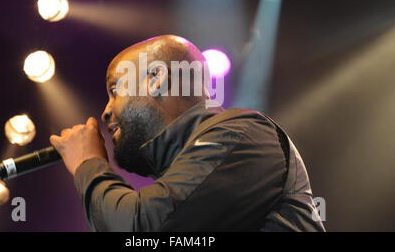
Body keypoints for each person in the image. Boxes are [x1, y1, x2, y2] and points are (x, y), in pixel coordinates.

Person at [50, 35, 326, 232]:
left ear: (156, 79)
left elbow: (141, 229)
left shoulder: (241, 134)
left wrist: (88, 164)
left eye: (114, 90)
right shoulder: (184, 175)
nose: (106, 111)